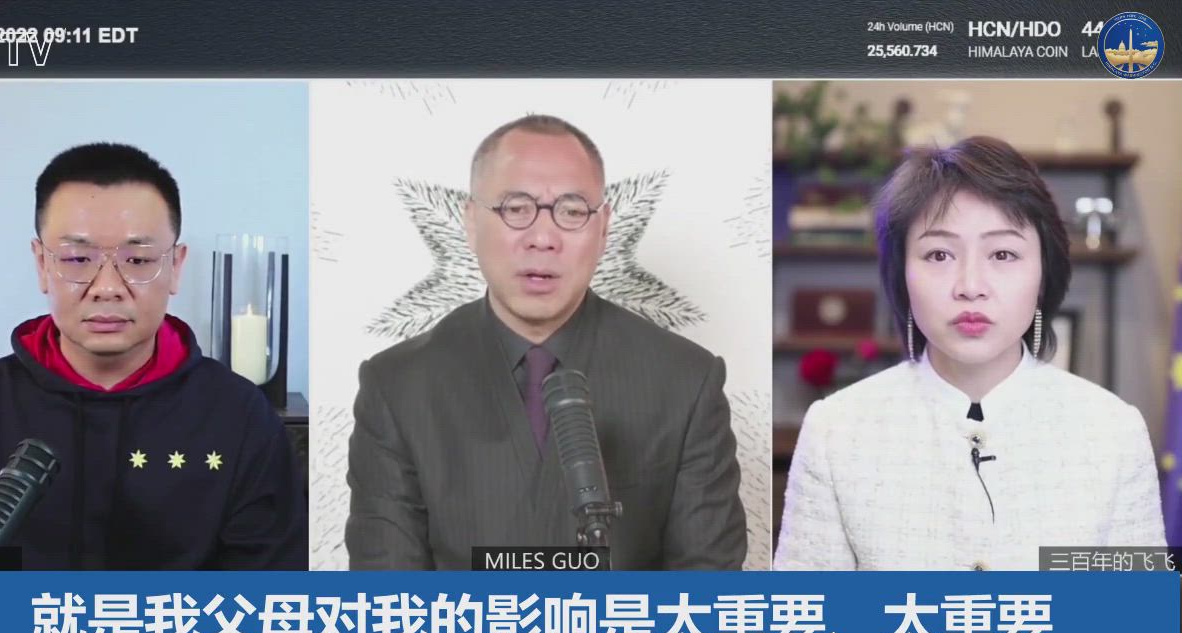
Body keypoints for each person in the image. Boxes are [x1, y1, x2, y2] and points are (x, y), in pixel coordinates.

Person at [345, 114, 746, 569]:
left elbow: (708, 588)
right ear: (471, 221)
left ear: (603, 228)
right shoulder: (398, 386)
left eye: (572, 212)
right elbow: (387, 594)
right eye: (516, 208)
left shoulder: (685, 381)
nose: (542, 238)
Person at [0, 142, 306, 569]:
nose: (107, 287)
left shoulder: (238, 414)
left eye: (138, 260)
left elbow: (269, 587)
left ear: (176, 266)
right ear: (41, 264)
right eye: (77, 258)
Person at [775, 136, 1166, 571]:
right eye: (939, 254)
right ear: (901, 275)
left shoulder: (1112, 433)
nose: (970, 286)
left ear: (1043, 273)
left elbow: (1136, 613)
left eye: (1003, 253)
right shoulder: (836, 431)